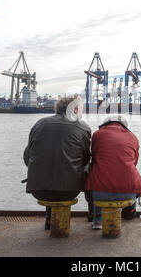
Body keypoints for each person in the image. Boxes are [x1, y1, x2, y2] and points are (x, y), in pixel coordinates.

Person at [23, 95, 92, 230]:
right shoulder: (83, 127)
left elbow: (27, 156)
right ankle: (94, 215)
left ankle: (49, 220)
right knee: (93, 167)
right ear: (75, 109)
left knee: (48, 165)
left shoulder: (40, 123)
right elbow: (85, 160)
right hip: (69, 190)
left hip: (37, 188)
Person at [85, 115, 141, 229]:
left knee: (97, 177)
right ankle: (129, 213)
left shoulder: (97, 135)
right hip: (128, 192)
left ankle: (97, 219)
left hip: (99, 193)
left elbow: (94, 158)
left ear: (105, 124)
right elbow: (134, 162)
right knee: (130, 176)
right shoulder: (133, 137)